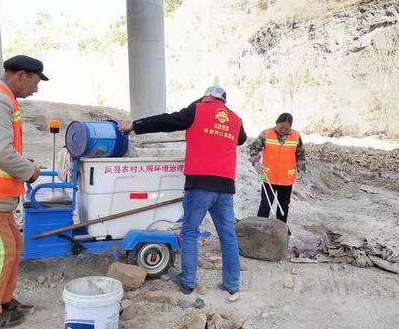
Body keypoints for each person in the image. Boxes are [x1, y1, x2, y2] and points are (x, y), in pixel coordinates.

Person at [119, 86, 247, 295]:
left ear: (207, 96)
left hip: (200, 185)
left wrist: (134, 126)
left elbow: (167, 121)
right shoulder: (235, 119)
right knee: (228, 235)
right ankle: (231, 284)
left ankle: (188, 282)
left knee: (189, 232)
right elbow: (241, 139)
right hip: (225, 187)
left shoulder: (197, 110)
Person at [0, 55, 48, 329]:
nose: (35, 90)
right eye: (35, 83)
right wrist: (30, 171)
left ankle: (4, 301)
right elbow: (0, 152)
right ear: (21, 76)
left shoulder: (1, 97)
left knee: (14, 247)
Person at [249, 112, 305, 224]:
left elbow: (300, 154)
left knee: (283, 205)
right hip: (268, 176)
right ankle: (260, 227)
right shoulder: (266, 134)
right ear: (276, 123)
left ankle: (281, 229)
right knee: (266, 204)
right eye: (281, 127)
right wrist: (255, 161)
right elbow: (253, 148)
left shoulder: (296, 136)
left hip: (286, 178)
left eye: (287, 128)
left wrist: (301, 168)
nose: (283, 130)